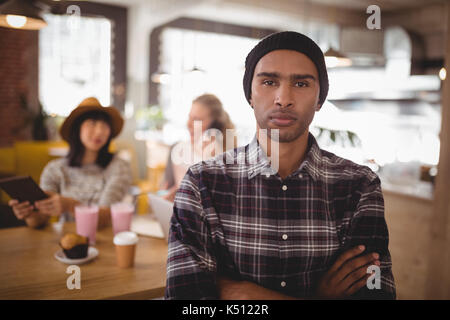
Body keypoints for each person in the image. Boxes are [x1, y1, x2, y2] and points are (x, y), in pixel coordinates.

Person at [165, 31, 396, 299]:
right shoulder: (202, 182)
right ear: (249, 94)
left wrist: (246, 294)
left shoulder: (359, 186)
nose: (283, 98)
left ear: (319, 98)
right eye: (269, 81)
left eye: (301, 84)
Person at [9, 97, 132, 229]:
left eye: (105, 125)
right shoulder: (55, 169)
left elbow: (104, 218)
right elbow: (39, 221)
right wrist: (29, 213)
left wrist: (70, 205)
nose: (99, 131)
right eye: (92, 123)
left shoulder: (119, 167)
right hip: (67, 242)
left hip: (108, 241)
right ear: (77, 128)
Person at [159, 94, 235, 202]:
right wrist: (168, 195)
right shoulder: (177, 150)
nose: (188, 124)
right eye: (189, 117)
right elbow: (167, 188)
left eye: (196, 119)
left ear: (214, 126)